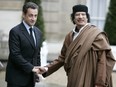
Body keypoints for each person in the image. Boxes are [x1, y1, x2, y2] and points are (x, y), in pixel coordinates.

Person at [39, 4, 116, 87]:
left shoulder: (96, 35)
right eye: (77, 14)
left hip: (90, 78)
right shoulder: (69, 36)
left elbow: (103, 60)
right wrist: (47, 68)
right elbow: (62, 58)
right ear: (73, 18)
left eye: (83, 14)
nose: (80, 17)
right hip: (74, 77)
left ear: (87, 17)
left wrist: (100, 82)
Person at [5, 2, 43, 87]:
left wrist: (38, 71)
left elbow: (37, 54)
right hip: (16, 78)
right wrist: (32, 68)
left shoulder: (38, 32)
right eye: (30, 15)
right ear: (23, 15)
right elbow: (15, 55)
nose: (33, 18)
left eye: (35, 15)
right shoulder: (15, 31)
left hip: (31, 78)